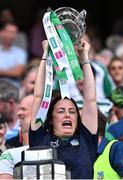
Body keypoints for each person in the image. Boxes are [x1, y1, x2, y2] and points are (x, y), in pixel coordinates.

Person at [29, 39, 98, 179]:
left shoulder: (86, 139)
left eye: (72, 112)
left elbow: (90, 100)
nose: (67, 114)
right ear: (50, 119)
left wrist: (84, 57)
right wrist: (45, 55)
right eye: (61, 111)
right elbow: (38, 96)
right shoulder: (40, 138)